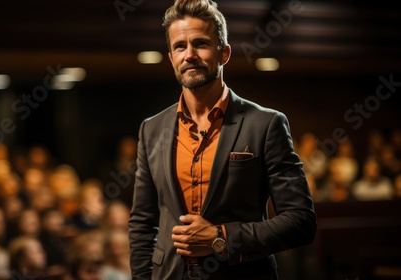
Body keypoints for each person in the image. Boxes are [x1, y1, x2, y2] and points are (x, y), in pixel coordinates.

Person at [128, 1, 317, 279]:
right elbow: (142, 225)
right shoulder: (151, 129)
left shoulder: (266, 124)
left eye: (201, 43)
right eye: (180, 46)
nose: (189, 54)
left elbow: (300, 221)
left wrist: (221, 237)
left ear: (224, 53)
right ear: (170, 58)